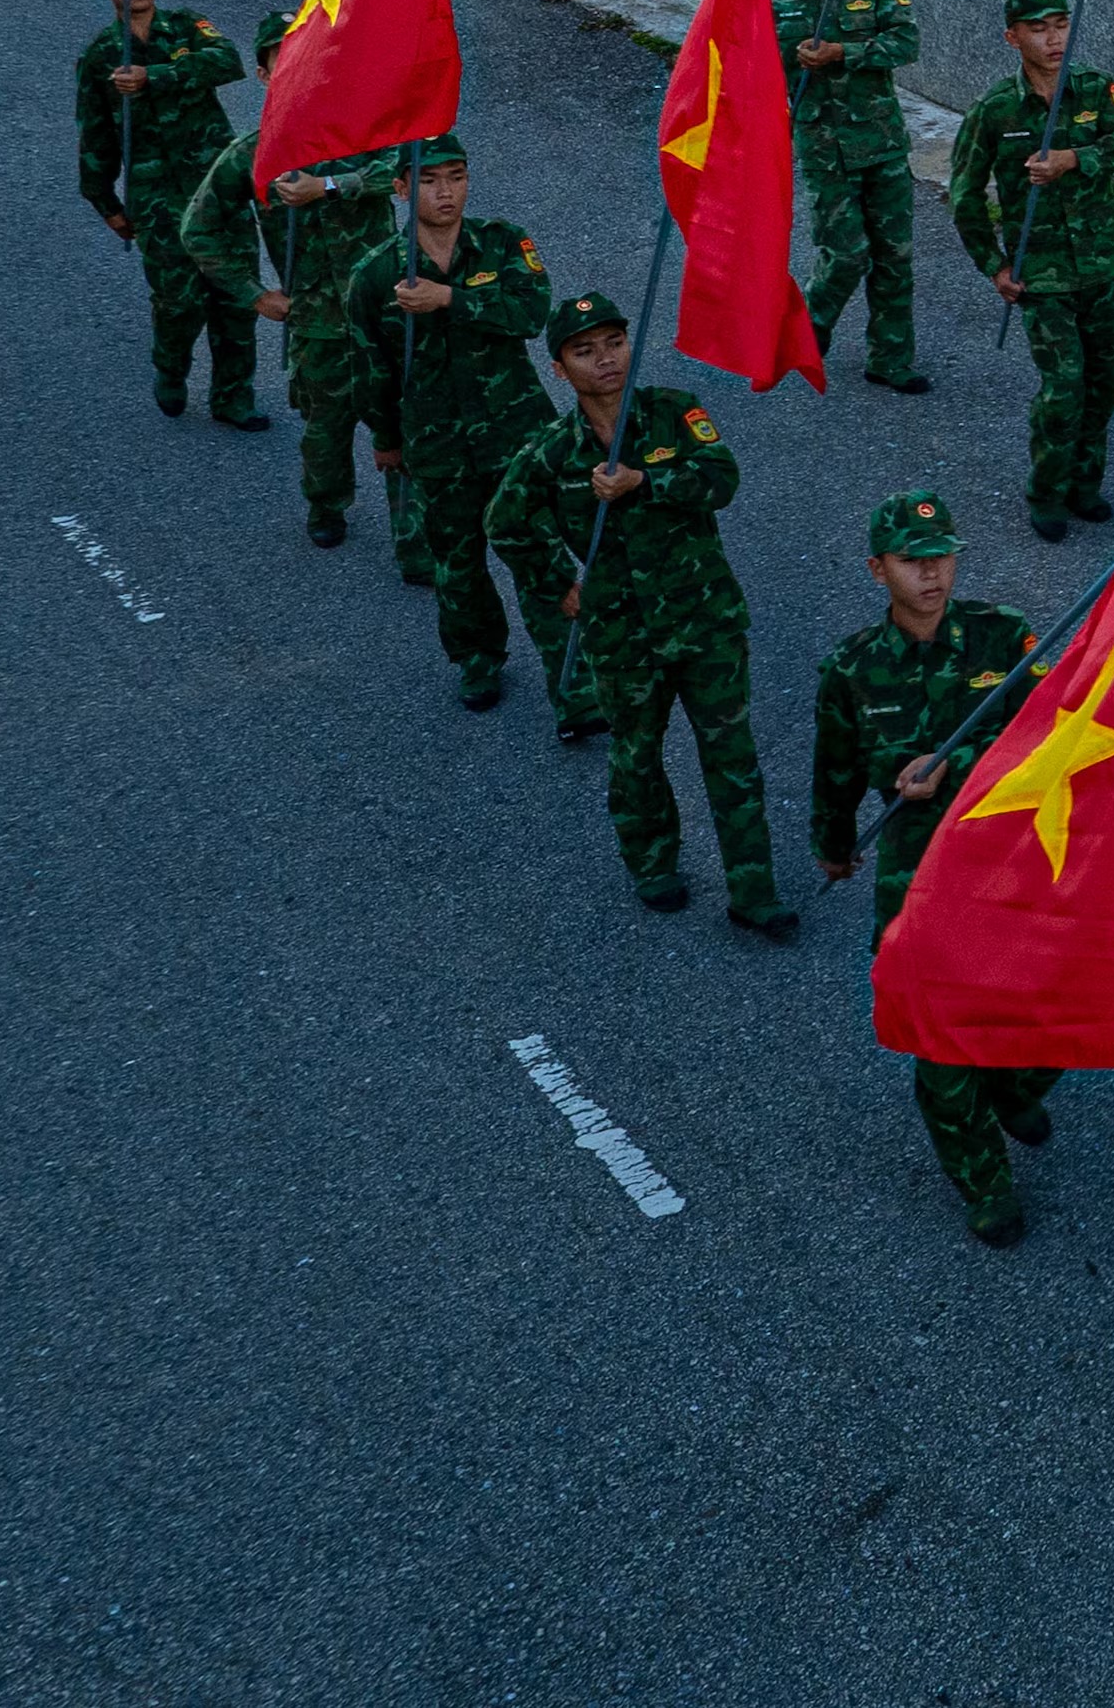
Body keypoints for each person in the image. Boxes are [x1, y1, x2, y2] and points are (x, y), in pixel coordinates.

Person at [490, 294, 791, 932]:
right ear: (558, 369)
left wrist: (644, 482)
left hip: (704, 620)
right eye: (584, 351)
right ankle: (653, 864)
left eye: (614, 343)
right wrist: (557, 584)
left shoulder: (673, 412)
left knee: (730, 755)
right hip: (623, 634)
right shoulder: (552, 451)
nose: (605, 360)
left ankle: (753, 889)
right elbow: (506, 523)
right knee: (636, 755)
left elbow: (722, 480)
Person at [812, 493, 1057, 1247]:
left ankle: (1014, 1083)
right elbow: (836, 768)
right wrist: (835, 841)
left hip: (1010, 857)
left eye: (942, 555)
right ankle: (984, 1182)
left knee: (1047, 1010)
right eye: (913, 560)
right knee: (941, 1034)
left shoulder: (1002, 634)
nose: (932, 573)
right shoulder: (851, 668)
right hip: (920, 873)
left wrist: (959, 765)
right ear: (877, 569)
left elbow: (1059, 729)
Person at [178, 13, 425, 571]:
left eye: (305, 57)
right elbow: (199, 227)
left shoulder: (364, 131)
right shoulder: (254, 154)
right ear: (264, 74)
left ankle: (414, 539)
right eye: (280, 60)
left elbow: (404, 170)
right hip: (315, 320)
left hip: (386, 311)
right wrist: (253, 294)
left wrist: (330, 186)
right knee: (326, 427)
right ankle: (326, 507)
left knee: (404, 421)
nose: (295, 69)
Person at [339, 132, 566, 713]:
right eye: (431, 180)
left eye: (457, 177)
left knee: (537, 551)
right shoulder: (373, 276)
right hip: (436, 443)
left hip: (515, 437)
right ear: (399, 187)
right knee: (458, 563)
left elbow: (532, 314)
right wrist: (387, 439)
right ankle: (478, 660)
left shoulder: (502, 242)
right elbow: (373, 368)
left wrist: (450, 300)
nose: (447, 192)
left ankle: (571, 676)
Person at [946, 0, 1114, 543]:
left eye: (1060, 26)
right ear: (1013, 37)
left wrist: (1073, 159)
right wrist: (994, 266)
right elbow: (963, 191)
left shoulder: (1094, 88)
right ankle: (1047, 490)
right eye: (1039, 29)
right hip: (1044, 275)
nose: (1053, 39)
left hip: (1104, 263)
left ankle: (1086, 485)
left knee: (1104, 383)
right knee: (1064, 388)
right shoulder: (995, 108)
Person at [75, 0, 261, 427]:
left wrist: (156, 74)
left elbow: (229, 61)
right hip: (157, 195)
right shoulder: (99, 59)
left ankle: (233, 396)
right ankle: (171, 369)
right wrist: (106, 203)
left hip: (218, 184)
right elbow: (95, 137)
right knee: (178, 298)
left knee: (235, 292)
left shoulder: (187, 26)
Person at [771, 0, 929, 393]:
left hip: (880, 140)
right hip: (823, 145)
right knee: (844, 252)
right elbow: (752, 67)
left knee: (894, 255)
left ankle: (891, 357)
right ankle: (809, 334)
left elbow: (905, 42)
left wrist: (845, 53)